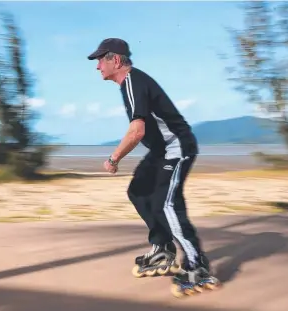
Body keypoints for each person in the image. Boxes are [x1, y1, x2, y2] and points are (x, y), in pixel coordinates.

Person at [87, 38, 219, 296]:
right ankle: (163, 249)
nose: (97, 66)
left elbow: (136, 131)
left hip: (177, 148)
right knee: (138, 192)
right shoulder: (128, 84)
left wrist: (114, 159)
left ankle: (197, 265)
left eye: (100, 60)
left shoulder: (133, 81)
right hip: (161, 151)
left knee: (166, 203)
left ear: (115, 60)